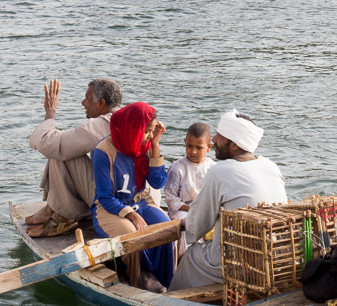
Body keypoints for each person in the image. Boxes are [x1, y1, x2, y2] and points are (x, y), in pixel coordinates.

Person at [169, 109, 288, 292]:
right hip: (274, 256)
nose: (214, 139)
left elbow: (196, 225)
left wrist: (187, 223)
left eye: (220, 136)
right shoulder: (271, 166)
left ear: (233, 144)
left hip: (235, 262)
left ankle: (173, 299)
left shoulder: (220, 171)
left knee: (191, 254)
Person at [25, 77, 122, 238]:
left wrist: (50, 113)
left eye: (87, 98)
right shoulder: (126, 119)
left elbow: (49, 144)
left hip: (112, 200)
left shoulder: (104, 124)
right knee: (64, 148)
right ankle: (54, 208)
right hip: (127, 194)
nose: (83, 102)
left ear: (101, 103)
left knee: (60, 152)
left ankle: (59, 212)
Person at [91, 101, 174, 291]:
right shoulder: (103, 151)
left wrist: (155, 145)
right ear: (134, 128)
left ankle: (165, 281)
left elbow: (157, 183)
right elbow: (104, 196)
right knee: (133, 235)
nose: (150, 135)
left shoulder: (142, 147)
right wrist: (131, 214)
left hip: (140, 202)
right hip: (110, 210)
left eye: (153, 131)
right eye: (148, 131)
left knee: (168, 229)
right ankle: (140, 281)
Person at [162, 122, 214, 222]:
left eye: (199, 148)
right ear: (185, 142)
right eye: (190, 146)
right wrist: (189, 208)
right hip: (182, 211)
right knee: (187, 223)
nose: (193, 151)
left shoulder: (212, 168)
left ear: (209, 147)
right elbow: (170, 196)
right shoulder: (177, 168)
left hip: (205, 210)